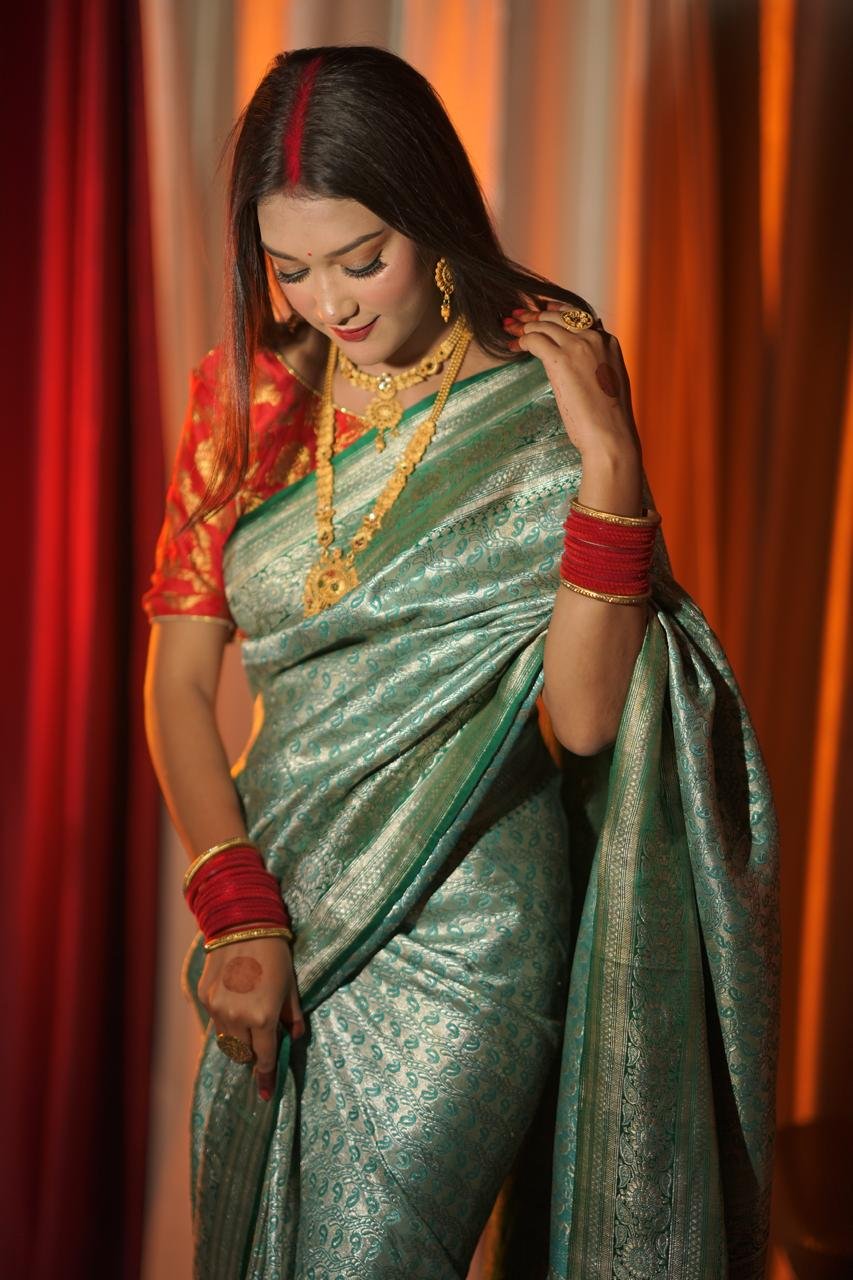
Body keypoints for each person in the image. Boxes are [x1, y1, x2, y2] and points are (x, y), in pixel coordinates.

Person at [142, 45, 780, 1280]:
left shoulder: (541, 389)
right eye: (289, 268)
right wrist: (234, 905)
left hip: (470, 923)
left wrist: (609, 461)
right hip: (278, 894)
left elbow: (584, 720)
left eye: (360, 257)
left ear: (430, 217)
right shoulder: (245, 399)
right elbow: (177, 685)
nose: (329, 303)